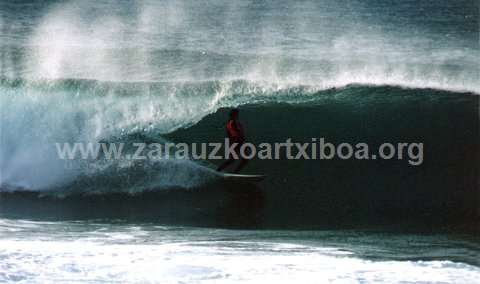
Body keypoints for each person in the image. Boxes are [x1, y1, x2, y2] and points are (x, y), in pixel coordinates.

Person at [217, 108, 248, 173]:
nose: (237, 115)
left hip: (238, 142)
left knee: (236, 159)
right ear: (233, 115)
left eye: (237, 114)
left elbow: (237, 133)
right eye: (236, 114)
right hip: (237, 142)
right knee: (237, 159)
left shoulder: (233, 122)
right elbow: (235, 134)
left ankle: (219, 170)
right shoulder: (232, 122)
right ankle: (220, 170)